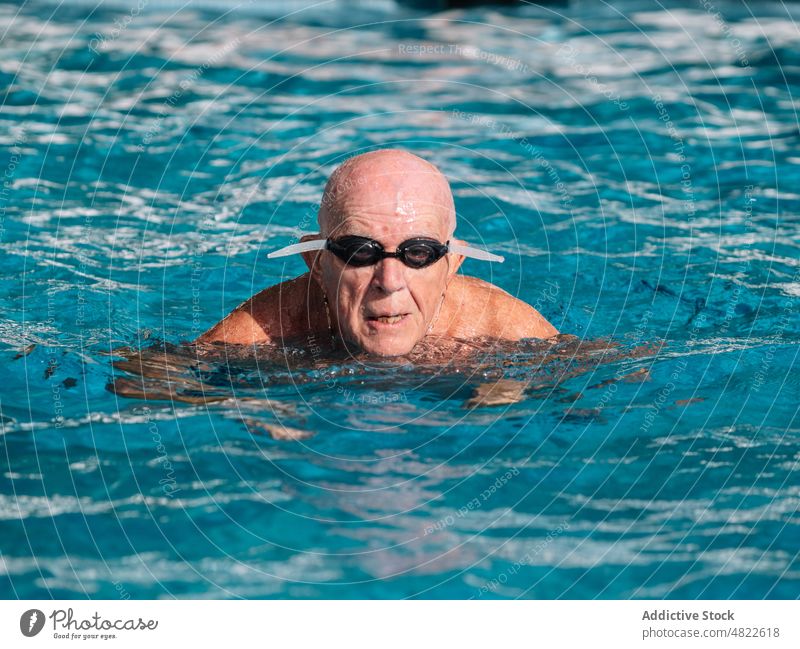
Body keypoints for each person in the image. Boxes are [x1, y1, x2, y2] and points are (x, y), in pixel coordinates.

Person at [197, 149, 558, 357]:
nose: (389, 282)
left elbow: (588, 397)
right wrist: (246, 404)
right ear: (318, 264)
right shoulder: (261, 335)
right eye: (360, 251)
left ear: (452, 264)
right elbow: (153, 380)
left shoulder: (501, 328)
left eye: (418, 253)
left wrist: (504, 393)